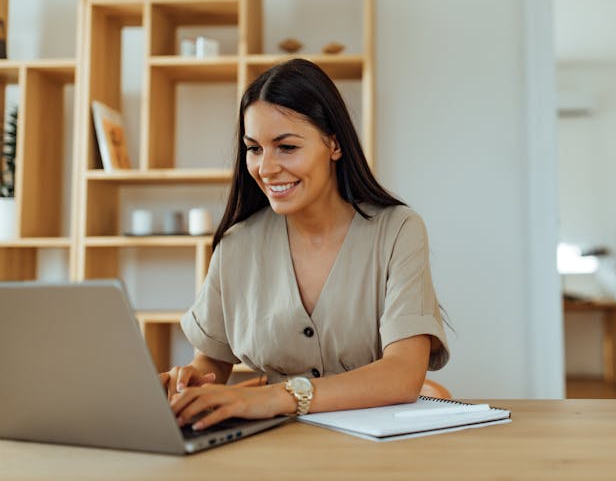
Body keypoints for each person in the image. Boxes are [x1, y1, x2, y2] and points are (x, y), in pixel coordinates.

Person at [162, 58, 449, 431]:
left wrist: (278, 397)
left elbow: (403, 374)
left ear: (333, 143)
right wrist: (187, 384)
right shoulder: (236, 245)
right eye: (254, 148)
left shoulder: (397, 231)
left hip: (375, 450)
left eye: (286, 147)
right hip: (272, 445)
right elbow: (211, 364)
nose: (265, 168)